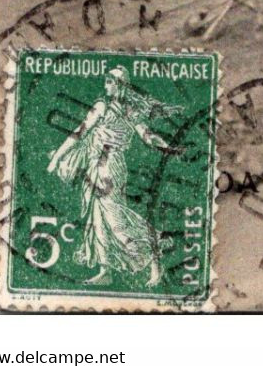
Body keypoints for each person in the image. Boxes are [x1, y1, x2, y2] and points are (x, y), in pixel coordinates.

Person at [46, 66, 180, 287]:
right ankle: (105, 269)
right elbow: (80, 133)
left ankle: (155, 256)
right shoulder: (105, 106)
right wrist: (57, 158)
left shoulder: (127, 110)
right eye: (106, 81)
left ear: (120, 85)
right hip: (95, 166)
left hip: (110, 167)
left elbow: (145, 135)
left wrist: (165, 146)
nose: (105, 85)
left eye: (109, 81)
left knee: (115, 219)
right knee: (97, 217)